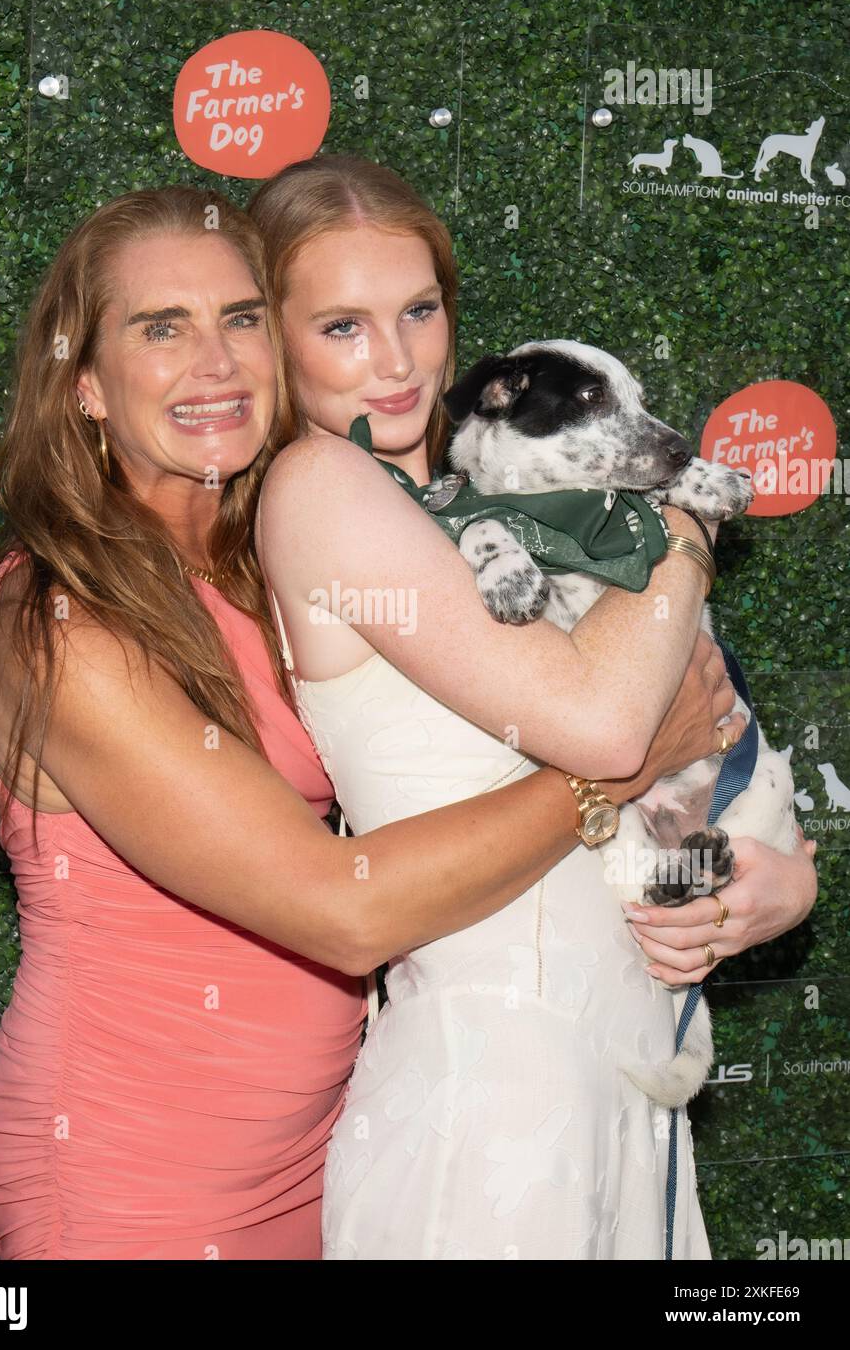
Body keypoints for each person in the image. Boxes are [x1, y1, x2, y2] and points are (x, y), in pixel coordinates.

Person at [0, 185, 745, 1260]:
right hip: (132, 1174)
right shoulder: (53, 625)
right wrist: (608, 778)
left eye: (241, 318)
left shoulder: (274, 556)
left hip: (325, 1148)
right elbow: (338, 910)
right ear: (83, 384)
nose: (213, 363)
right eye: (160, 328)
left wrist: (732, 881)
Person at [247, 153, 818, 1258]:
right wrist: (687, 523)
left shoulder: (475, 503)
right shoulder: (323, 487)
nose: (398, 360)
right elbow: (611, 728)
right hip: (497, 1103)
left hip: (615, 1071)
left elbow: (664, 759)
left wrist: (769, 884)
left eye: (416, 310)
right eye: (341, 328)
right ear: (271, 338)